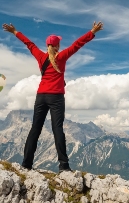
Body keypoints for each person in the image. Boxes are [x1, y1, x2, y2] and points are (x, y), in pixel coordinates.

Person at [2, 21, 104, 173]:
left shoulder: (40, 57)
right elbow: (77, 44)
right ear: (57, 46)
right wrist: (92, 32)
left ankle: (26, 164)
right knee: (57, 130)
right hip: (56, 98)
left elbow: (29, 44)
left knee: (35, 129)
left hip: (41, 96)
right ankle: (64, 166)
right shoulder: (61, 57)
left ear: (47, 46)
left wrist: (15, 31)